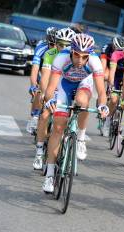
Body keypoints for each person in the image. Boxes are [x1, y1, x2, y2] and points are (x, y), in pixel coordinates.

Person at [42, 33, 108, 193]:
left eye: (84, 56)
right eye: (77, 55)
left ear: (90, 55)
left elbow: (101, 91)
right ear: (72, 51)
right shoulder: (61, 58)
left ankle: (80, 138)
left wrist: (103, 106)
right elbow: (51, 88)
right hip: (64, 86)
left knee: (83, 102)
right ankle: (49, 175)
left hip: (83, 84)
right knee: (58, 128)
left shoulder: (95, 61)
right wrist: (50, 100)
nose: (79, 60)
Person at [32, 27, 76, 170]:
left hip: (67, 88)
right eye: (60, 44)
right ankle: (39, 152)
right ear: (55, 43)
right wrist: (46, 96)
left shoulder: (76, 56)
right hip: (53, 86)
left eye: (67, 44)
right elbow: (44, 78)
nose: (63, 48)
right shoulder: (50, 54)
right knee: (45, 115)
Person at [26, 27, 57, 134]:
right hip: (42, 73)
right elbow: (35, 69)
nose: (54, 47)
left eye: (56, 44)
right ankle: (34, 117)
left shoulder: (62, 51)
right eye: (51, 44)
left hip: (55, 74)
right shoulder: (41, 48)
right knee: (38, 91)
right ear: (47, 42)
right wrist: (33, 85)